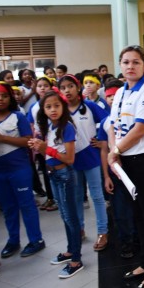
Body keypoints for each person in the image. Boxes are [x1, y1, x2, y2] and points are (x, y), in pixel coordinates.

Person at [107, 45, 144, 288]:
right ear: (120, 65)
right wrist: (115, 151)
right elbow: (113, 125)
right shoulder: (121, 91)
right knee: (138, 216)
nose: (130, 66)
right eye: (125, 62)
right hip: (125, 160)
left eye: (135, 62)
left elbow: (140, 129)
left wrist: (115, 151)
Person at [29, 90, 83, 279]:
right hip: (53, 175)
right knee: (64, 215)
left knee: (71, 217)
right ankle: (70, 251)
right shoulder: (49, 126)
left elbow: (69, 158)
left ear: (63, 107)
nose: (53, 110)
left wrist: (46, 149)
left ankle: (76, 260)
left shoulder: (67, 127)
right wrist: (38, 146)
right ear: (43, 110)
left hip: (64, 174)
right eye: (48, 106)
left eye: (57, 106)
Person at [0, 82, 46, 259]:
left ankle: (36, 240)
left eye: (4, 96)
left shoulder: (18, 116)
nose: (0, 99)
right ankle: (13, 241)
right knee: (8, 207)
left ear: (10, 98)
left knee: (26, 204)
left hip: (19, 168)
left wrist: (1, 138)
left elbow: (28, 141)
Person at [58, 74, 109, 250]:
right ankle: (79, 229)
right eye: (63, 87)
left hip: (91, 157)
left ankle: (103, 231)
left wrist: (102, 140)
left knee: (97, 196)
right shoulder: (61, 109)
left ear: (77, 87)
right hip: (71, 160)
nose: (67, 90)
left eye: (70, 86)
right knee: (77, 197)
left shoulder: (89, 106)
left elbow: (107, 121)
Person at [97, 78, 136, 259]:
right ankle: (126, 243)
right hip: (116, 172)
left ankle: (139, 240)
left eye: (116, 95)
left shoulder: (134, 116)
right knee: (121, 211)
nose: (112, 99)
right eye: (109, 96)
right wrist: (106, 176)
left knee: (139, 208)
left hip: (136, 168)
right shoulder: (106, 122)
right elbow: (104, 150)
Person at [27, 76, 58, 211]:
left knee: (57, 168)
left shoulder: (57, 104)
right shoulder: (34, 107)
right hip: (40, 142)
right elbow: (32, 125)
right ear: (36, 89)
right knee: (46, 171)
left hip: (54, 141)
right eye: (40, 86)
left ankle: (58, 198)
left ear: (51, 87)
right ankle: (51, 197)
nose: (43, 88)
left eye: (46, 85)